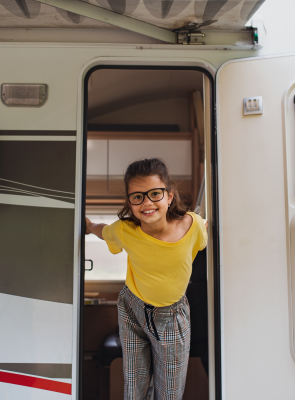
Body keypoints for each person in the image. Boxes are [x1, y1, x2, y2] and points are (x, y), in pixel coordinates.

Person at [85, 158, 207, 400]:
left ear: (170, 196)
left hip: (172, 315)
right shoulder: (124, 231)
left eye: (155, 194)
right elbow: (102, 230)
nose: (147, 203)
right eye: (137, 196)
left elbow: (208, 229)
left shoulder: (192, 226)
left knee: (169, 393)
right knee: (135, 387)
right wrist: (88, 225)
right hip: (133, 308)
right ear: (129, 202)